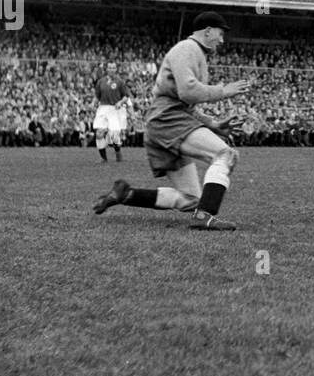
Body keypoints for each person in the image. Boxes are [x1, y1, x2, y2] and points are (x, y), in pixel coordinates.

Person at [92, 12, 252, 230]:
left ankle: (127, 194)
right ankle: (204, 216)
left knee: (192, 198)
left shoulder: (194, 53)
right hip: (168, 120)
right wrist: (223, 91)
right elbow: (187, 92)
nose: (222, 40)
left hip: (165, 121)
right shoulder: (188, 49)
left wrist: (212, 124)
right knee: (226, 154)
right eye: (220, 33)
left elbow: (183, 102)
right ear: (207, 31)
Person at [91, 65, 130, 162]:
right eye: (110, 68)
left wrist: (120, 102)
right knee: (99, 133)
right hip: (103, 108)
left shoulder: (120, 82)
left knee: (114, 136)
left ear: (116, 69)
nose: (111, 69)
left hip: (114, 110)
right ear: (107, 69)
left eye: (113, 68)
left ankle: (118, 152)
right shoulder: (101, 82)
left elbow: (126, 96)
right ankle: (103, 159)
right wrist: (93, 103)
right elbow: (97, 96)